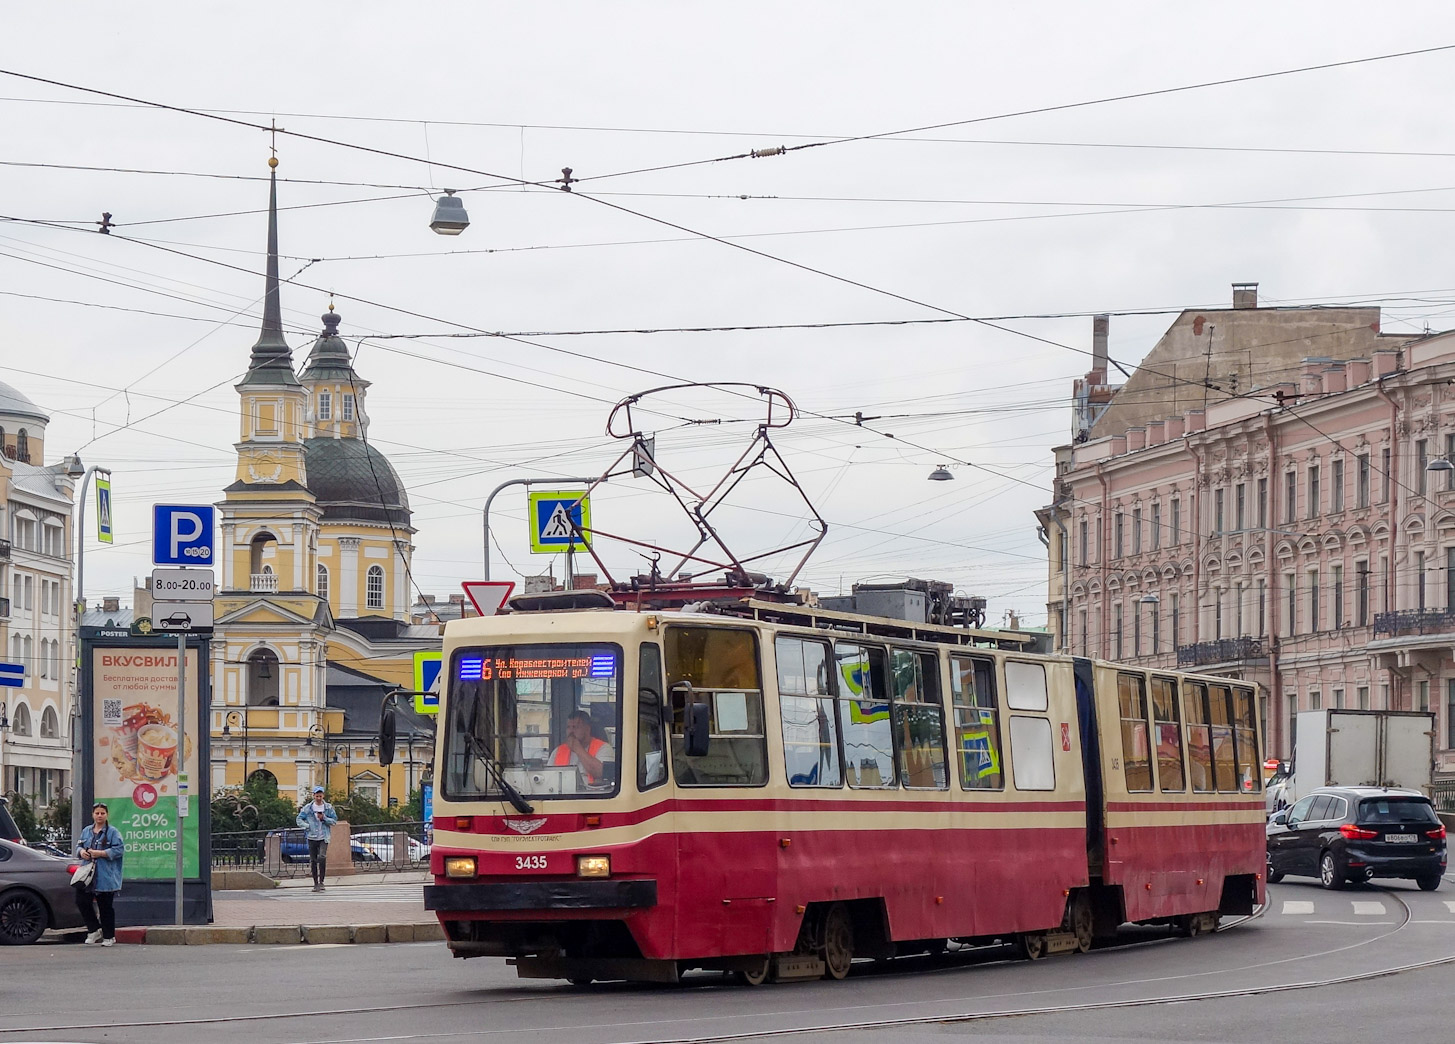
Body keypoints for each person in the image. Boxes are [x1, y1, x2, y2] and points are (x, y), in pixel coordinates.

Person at [74, 802, 125, 946]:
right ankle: (94, 929)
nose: (99, 816)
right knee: (81, 901)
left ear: (107, 815)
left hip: (105, 875)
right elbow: (79, 846)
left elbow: (119, 850)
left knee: (105, 906)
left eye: (102, 813)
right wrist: (82, 852)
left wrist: (101, 853)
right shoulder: (87, 831)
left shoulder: (113, 832)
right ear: (93, 815)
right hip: (88, 874)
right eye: (97, 813)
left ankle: (109, 936)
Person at [549, 711, 615, 785]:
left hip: (593, 794)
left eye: (575, 727)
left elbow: (602, 773)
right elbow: (549, 778)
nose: (571, 731)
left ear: (587, 729)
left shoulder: (603, 748)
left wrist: (578, 749)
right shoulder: (558, 751)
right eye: (568, 727)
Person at [296, 785, 338, 892]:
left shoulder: (328, 808)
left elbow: (334, 821)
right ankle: (315, 883)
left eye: (320, 796)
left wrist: (324, 818)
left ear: (323, 796)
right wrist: (307, 826)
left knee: (322, 857)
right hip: (312, 837)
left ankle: (322, 881)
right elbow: (299, 819)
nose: (319, 798)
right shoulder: (308, 808)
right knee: (313, 860)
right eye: (317, 796)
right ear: (314, 796)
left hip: (324, 836)